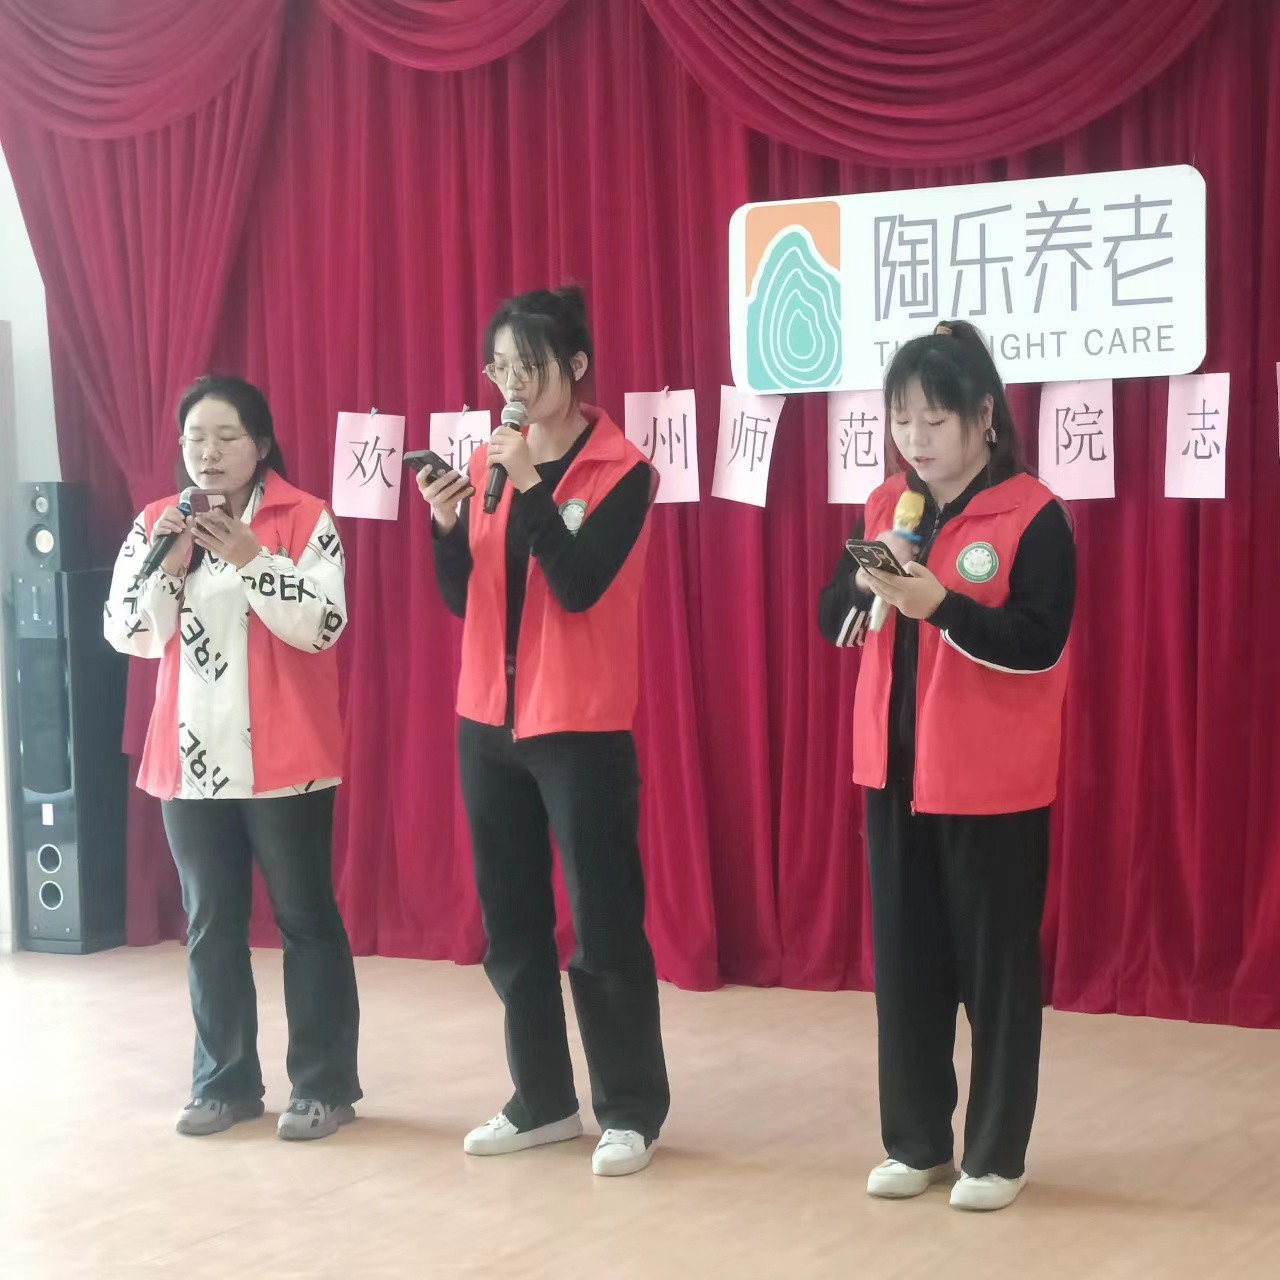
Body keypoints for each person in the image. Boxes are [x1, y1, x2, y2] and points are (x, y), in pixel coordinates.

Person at [818, 321, 1075, 1212]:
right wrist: (866, 581)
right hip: (893, 775)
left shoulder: (1034, 515)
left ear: (984, 417)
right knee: (906, 971)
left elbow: (1040, 643)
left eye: (933, 421)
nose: (915, 440)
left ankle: (995, 1155)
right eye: (901, 421)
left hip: (992, 786)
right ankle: (916, 1143)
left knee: (996, 977)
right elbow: (832, 616)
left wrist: (943, 606)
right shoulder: (889, 507)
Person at [420, 286, 669, 1177]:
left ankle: (630, 1109)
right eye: (499, 367)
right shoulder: (488, 465)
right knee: (512, 922)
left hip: (580, 726)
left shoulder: (622, 471)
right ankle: (543, 1099)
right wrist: (446, 525)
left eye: (527, 366)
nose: (511, 384)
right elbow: (465, 598)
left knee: (603, 924)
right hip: (486, 721)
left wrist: (527, 483)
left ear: (576, 366)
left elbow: (576, 585)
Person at [104, 375, 361, 1140]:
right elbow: (127, 631)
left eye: (225, 438)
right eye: (195, 439)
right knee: (211, 923)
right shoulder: (159, 521)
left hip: (287, 760)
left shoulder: (304, 517)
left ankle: (323, 1088)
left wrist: (252, 558)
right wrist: (167, 568)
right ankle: (224, 1084)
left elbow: (323, 625)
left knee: (305, 919)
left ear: (262, 445)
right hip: (189, 761)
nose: (208, 453)